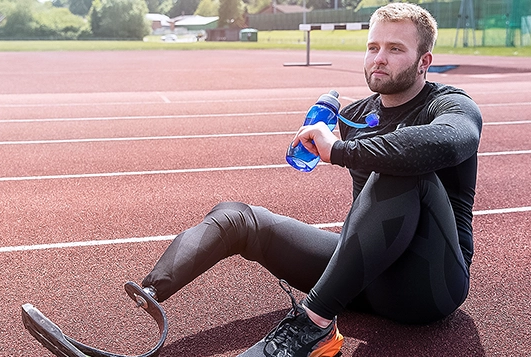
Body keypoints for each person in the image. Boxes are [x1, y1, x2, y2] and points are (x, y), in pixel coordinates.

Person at [141, 3, 482, 357]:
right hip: (366, 277)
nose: (379, 58)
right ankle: (151, 290)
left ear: (424, 62)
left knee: (402, 167)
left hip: (429, 286)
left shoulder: (451, 105)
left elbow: (450, 140)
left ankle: (313, 325)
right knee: (240, 218)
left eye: (395, 49)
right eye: (373, 47)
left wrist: (338, 150)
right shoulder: (355, 116)